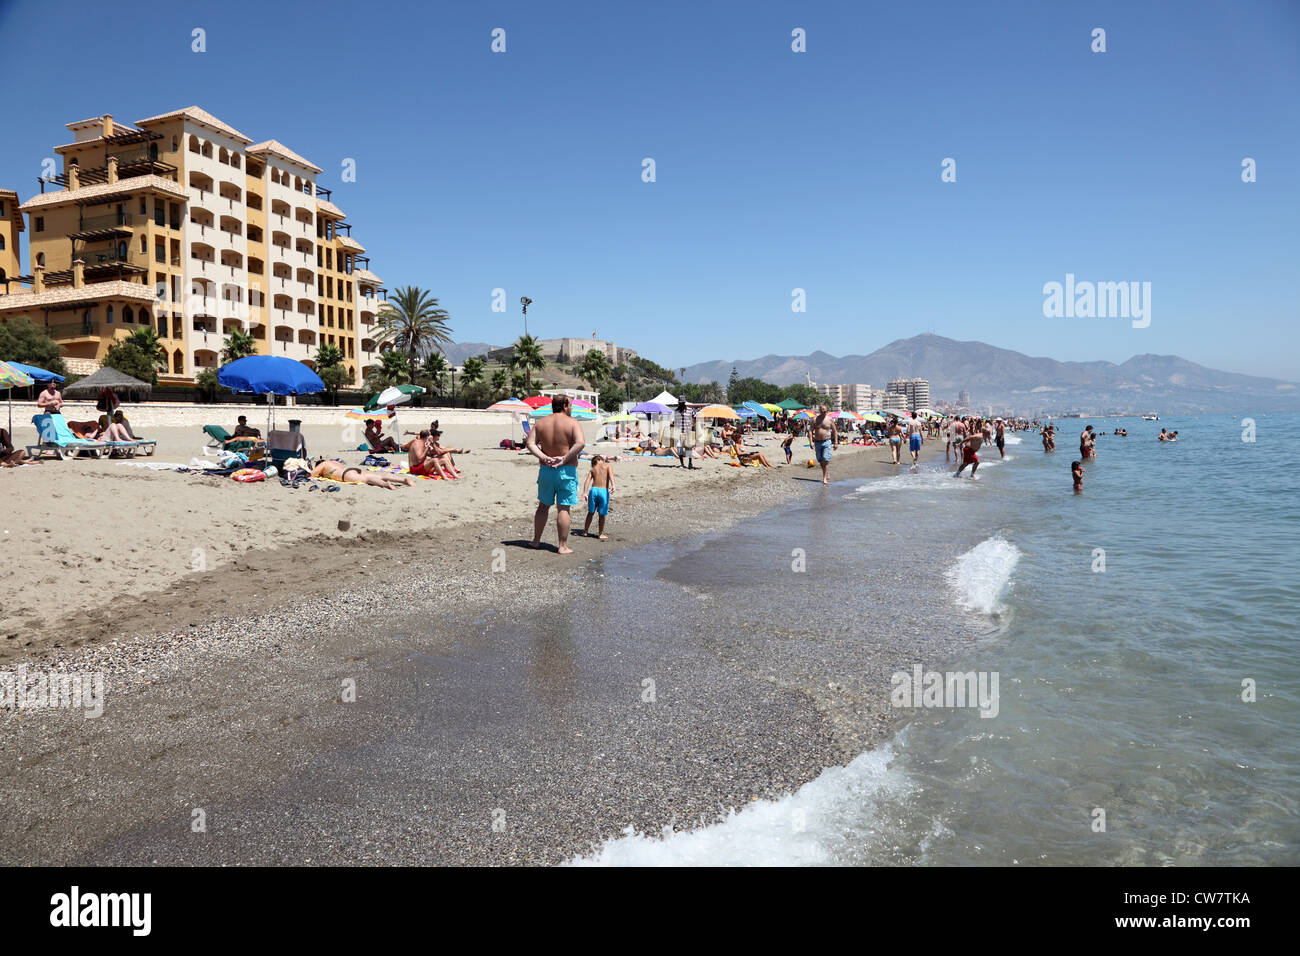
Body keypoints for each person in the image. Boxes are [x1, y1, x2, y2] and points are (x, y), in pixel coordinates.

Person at [526, 394, 585, 554]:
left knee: (543, 506)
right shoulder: (572, 423)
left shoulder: (541, 422)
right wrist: (565, 458)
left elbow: (530, 443)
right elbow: (580, 443)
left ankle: (536, 541)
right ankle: (562, 546)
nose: (571, 408)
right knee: (563, 508)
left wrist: (544, 457)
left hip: (546, 469)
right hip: (566, 470)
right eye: (571, 405)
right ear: (565, 405)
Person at [311, 458, 416, 488]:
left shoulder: (323, 464)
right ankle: (402, 480)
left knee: (367, 480)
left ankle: (385, 484)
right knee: (379, 475)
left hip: (346, 475)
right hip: (352, 469)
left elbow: (311, 474)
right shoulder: (332, 462)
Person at [581, 454, 614, 540]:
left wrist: (585, 493)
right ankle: (600, 534)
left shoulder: (592, 469)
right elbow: (611, 476)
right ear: (602, 461)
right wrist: (613, 485)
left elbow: (587, 481)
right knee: (602, 514)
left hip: (593, 491)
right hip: (603, 491)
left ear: (593, 463)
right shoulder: (607, 466)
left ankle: (585, 531)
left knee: (590, 512)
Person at [810, 404, 838, 484]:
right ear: (820, 410)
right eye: (822, 410)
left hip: (827, 441)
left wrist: (835, 442)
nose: (824, 411)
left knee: (825, 459)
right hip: (817, 442)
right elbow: (810, 431)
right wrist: (811, 442)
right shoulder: (815, 419)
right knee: (821, 461)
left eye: (825, 410)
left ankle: (824, 478)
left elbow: (835, 431)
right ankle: (826, 472)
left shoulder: (830, 420)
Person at [672, 399, 697, 470]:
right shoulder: (676, 411)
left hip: (688, 432)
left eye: (682, 403)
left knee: (689, 449)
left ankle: (690, 463)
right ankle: (682, 464)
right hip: (679, 433)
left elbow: (695, 416)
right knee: (679, 448)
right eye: (680, 403)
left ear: (684, 403)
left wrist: (693, 424)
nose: (681, 404)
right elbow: (675, 421)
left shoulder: (690, 410)